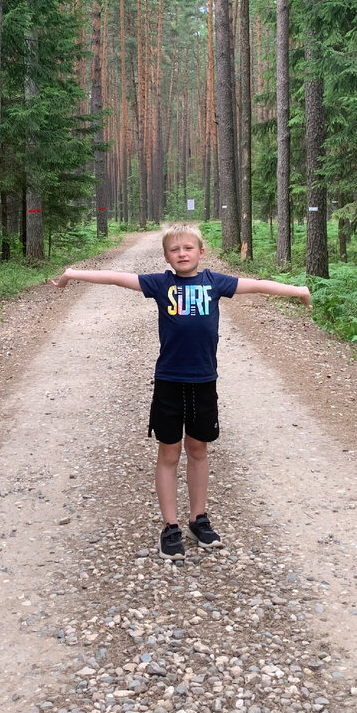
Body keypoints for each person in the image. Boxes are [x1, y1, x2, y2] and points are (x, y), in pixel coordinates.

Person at [50, 223, 311, 561]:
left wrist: (298, 290)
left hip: (204, 381)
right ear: (166, 257)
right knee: (169, 453)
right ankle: (170, 526)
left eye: (189, 248)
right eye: (175, 250)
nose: (182, 254)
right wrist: (73, 273)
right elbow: (116, 277)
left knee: (199, 449)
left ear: (201, 252)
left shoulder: (216, 283)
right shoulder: (161, 283)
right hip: (169, 382)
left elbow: (258, 286)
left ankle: (198, 519)